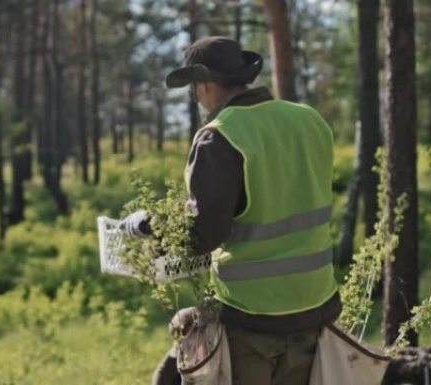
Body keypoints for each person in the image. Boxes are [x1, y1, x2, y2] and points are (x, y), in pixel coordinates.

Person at [126, 36, 342, 385]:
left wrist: (149, 228)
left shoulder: (219, 136)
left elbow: (204, 234)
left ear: (206, 83)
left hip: (251, 317)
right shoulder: (310, 120)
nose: (195, 96)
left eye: (194, 87)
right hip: (316, 306)